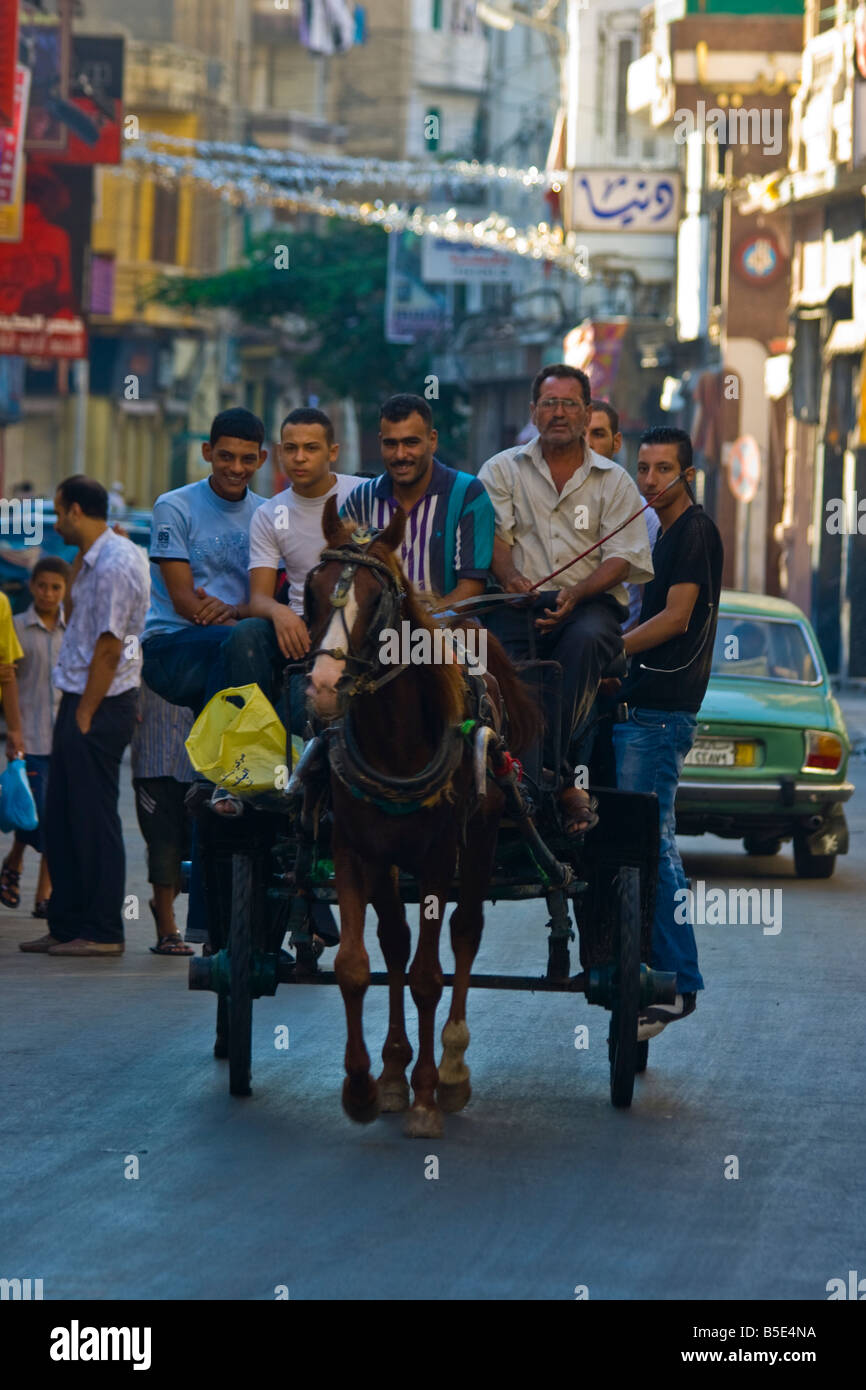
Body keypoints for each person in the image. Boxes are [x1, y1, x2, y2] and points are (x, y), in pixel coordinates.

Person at [477, 364, 653, 832]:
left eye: (569, 404)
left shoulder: (614, 481)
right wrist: (512, 578)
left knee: (587, 640)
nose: (558, 413)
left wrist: (575, 594)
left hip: (588, 605)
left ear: (586, 411)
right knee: (500, 679)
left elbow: (622, 557)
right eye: (549, 404)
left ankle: (541, 777)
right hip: (517, 605)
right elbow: (493, 537)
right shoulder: (501, 469)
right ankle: (523, 776)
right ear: (533, 411)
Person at [615, 426, 723, 1038]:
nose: (652, 480)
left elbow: (676, 618)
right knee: (641, 845)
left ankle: (679, 983)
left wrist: (613, 651)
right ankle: (654, 967)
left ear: (687, 474)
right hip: (641, 708)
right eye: (644, 469)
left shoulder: (695, 532)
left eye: (664, 470)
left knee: (653, 844)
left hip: (660, 716)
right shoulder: (663, 531)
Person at [19, 476, 150, 957]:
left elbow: (110, 647)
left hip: (100, 700)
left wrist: (86, 713)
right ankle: (66, 921)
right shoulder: (94, 559)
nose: (56, 523)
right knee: (63, 817)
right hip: (78, 696)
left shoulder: (115, 562)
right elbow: (77, 615)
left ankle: (102, 931)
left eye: (58, 513)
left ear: (75, 510)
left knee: (93, 818)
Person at [214, 406, 361, 732]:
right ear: (280, 453)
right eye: (291, 449)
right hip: (298, 632)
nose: (299, 458)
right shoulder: (270, 513)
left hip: (353, 630)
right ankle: (245, 736)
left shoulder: (361, 495)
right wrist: (281, 614)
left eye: (311, 448)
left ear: (332, 452)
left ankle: (278, 745)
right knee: (245, 634)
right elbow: (259, 599)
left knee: (296, 715)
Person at [140, 407, 267, 717]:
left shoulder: (268, 514)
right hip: (171, 645)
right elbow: (184, 601)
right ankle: (225, 754)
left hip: (235, 641)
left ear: (261, 459)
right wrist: (248, 632)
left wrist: (242, 620)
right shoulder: (173, 507)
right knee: (241, 647)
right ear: (207, 452)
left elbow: (268, 599)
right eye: (226, 456)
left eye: (247, 459)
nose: (236, 468)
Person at [339, 393, 494, 610]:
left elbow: (471, 586)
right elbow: (342, 575)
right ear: (380, 442)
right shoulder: (360, 500)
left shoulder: (468, 494)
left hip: (448, 630)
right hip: (375, 635)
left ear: (432, 440)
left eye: (411, 442)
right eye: (391, 444)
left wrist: (418, 627)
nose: (400, 455)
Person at [0, 557, 68, 917]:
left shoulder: (71, 631)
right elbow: (7, 679)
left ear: (65, 591)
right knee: (34, 818)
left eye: (56, 587)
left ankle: (44, 896)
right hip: (27, 740)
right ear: (31, 586)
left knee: (54, 819)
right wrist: (14, 732)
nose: (48, 593)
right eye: (42, 585)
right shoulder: (15, 627)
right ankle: (14, 860)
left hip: (64, 741)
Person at [131, 681, 195, 956]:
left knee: (191, 850)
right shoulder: (143, 643)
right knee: (162, 846)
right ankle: (167, 932)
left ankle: (162, 904)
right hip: (153, 763)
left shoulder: (205, 643)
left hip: (195, 765)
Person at [587, 399, 661, 631]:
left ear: (616, 442)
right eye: (581, 434)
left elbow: (649, 602)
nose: (588, 444)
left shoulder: (642, 514)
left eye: (598, 434)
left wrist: (620, 649)